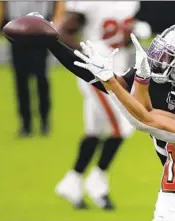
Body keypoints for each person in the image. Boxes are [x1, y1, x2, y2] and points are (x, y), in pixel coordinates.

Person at [40, 17, 175, 220]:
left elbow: (141, 113)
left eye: (170, 55)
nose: (160, 60)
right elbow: (99, 78)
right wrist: (53, 43)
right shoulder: (153, 79)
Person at [54, 1, 151, 209]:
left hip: (119, 69)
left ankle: (72, 181)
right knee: (125, 125)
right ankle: (97, 180)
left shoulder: (129, 3)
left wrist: (133, 32)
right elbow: (62, 32)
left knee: (95, 131)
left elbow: (119, 36)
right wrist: (89, 54)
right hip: (98, 74)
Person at [0, 2, 64, 136]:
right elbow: (1, 3)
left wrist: (56, 22)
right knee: (21, 79)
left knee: (41, 77)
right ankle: (26, 123)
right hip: (16, 30)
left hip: (40, 29)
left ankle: (44, 120)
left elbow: (59, 3)